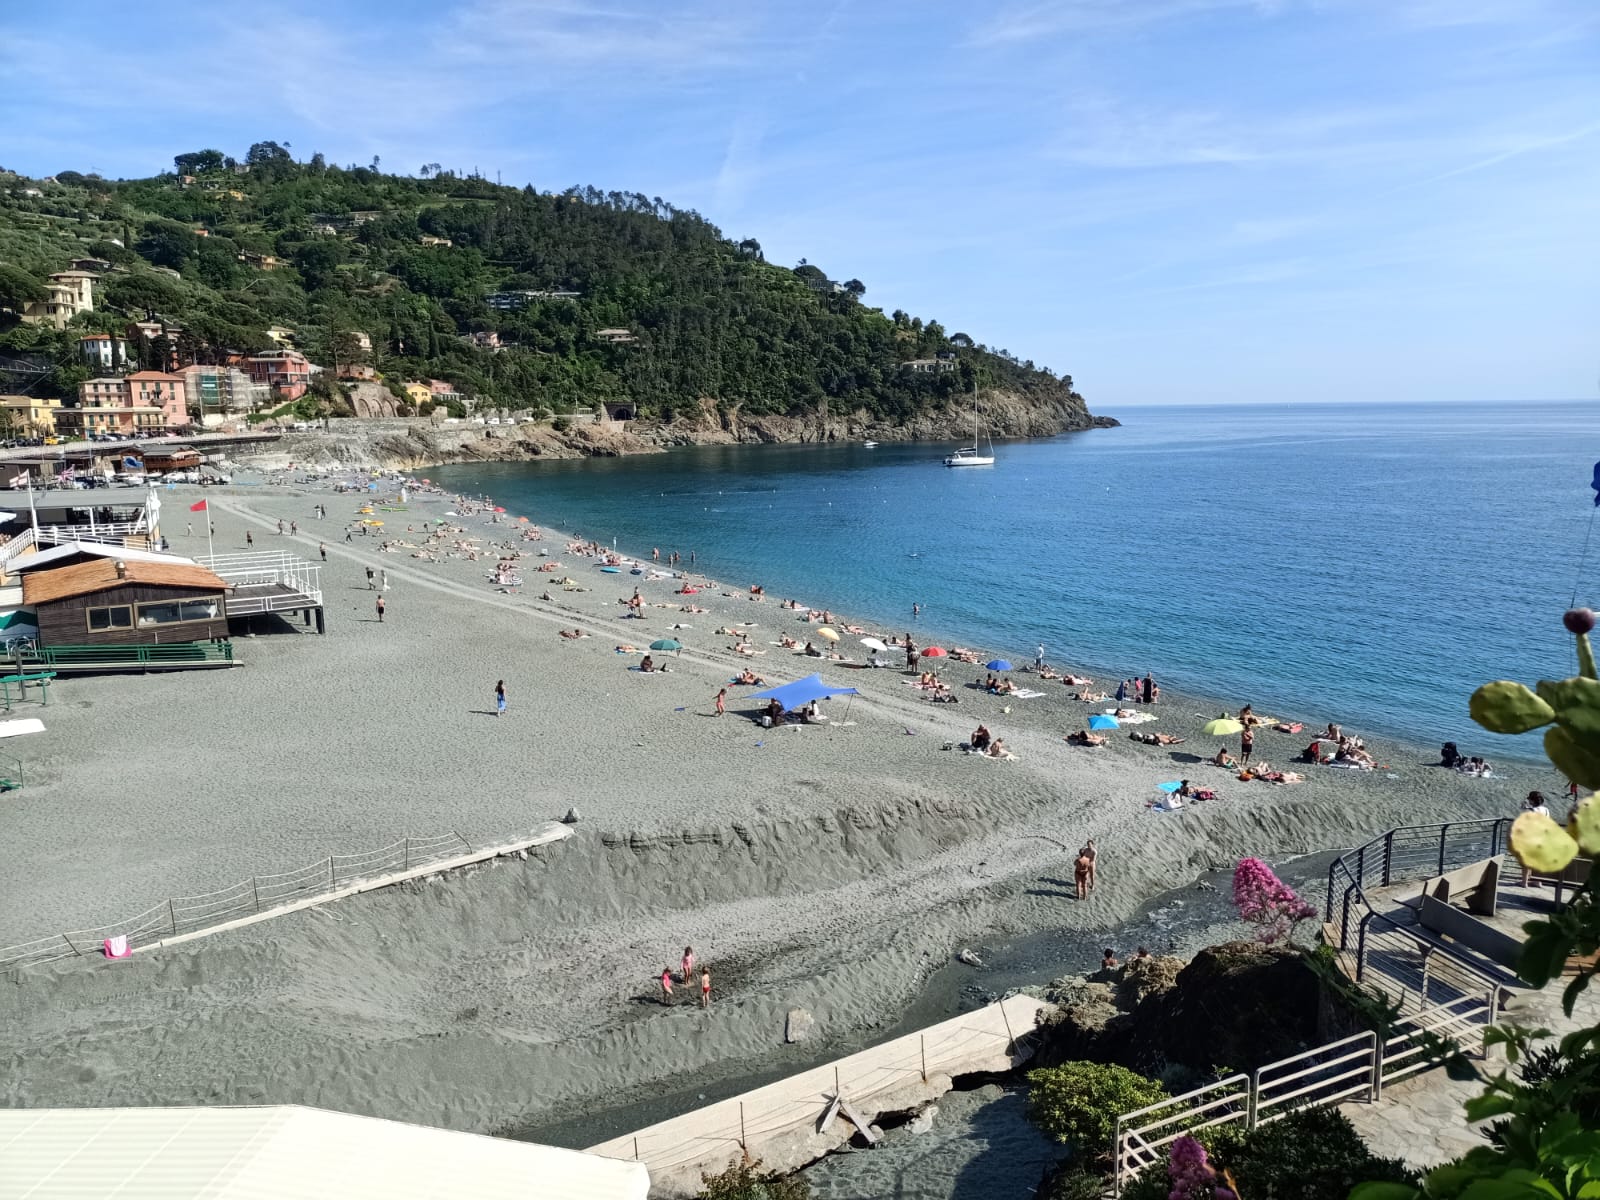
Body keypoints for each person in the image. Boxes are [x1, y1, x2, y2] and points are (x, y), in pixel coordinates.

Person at [1522, 792, 1551, 887]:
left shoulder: (1530, 811)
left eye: (1529, 799)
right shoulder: (1546, 810)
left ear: (1532, 801)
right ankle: (1536, 881)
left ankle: (1524, 882)